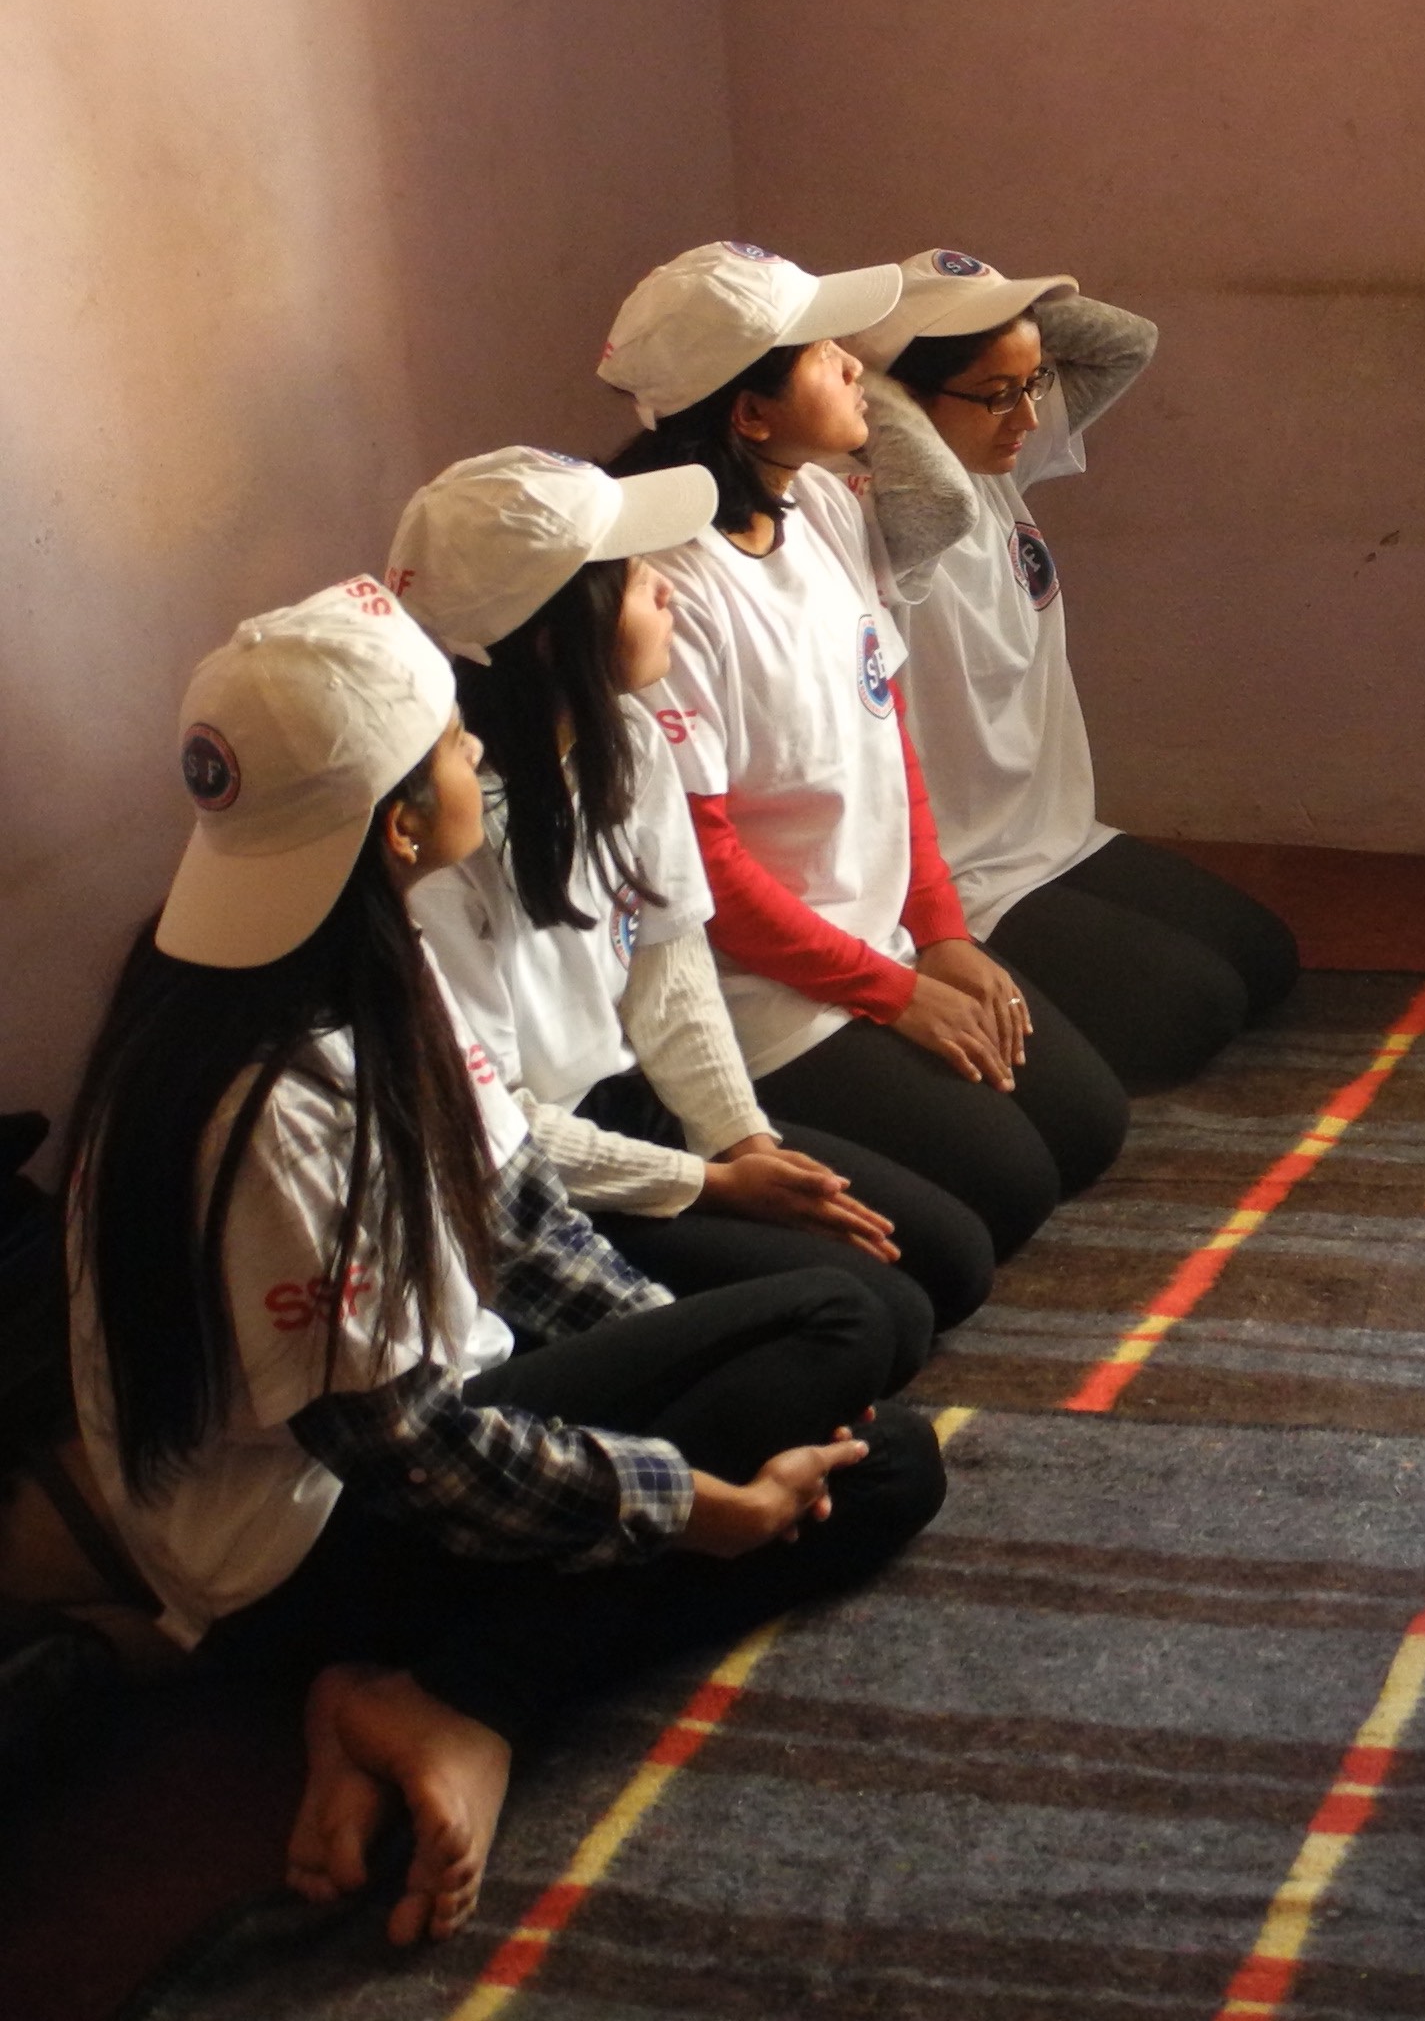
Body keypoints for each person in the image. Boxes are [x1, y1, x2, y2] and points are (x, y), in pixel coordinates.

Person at [64, 582, 943, 1949]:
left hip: (439, 1417)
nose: (480, 753)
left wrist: (706, 1384)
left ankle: (441, 1691)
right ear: (401, 824)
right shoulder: (280, 1094)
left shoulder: (330, 955)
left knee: (864, 1425)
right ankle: (459, 1697)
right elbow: (409, 1457)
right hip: (304, 1554)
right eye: (456, 746)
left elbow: (521, 1217)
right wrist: (694, 1500)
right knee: (844, 1366)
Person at [388, 446, 988, 1381]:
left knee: (948, 1260)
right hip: (538, 1181)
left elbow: (672, 971)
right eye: (632, 577)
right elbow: (495, 1128)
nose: (663, 589)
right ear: (553, 633)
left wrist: (742, 1139)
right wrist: (709, 1183)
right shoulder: (444, 851)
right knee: (881, 1323)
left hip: (637, 1116)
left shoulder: (624, 736)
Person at [602, 242, 1129, 1270]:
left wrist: (939, 936)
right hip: (768, 991)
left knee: (1083, 1127)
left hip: (881, 942)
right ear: (749, 414)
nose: (857, 367)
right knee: (1006, 1195)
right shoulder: (663, 591)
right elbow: (705, 872)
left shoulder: (829, 512)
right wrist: (891, 996)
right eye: (821, 353)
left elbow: (890, 742)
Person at [853, 250, 1299, 1091]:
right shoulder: (887, 508)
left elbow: (1126, 343)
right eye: (997, 394)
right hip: (970, 874)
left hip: (1056, 835)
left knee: (1263, 961)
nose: (1026, 416)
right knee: (1189, 1013)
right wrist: (864, 364)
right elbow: (929, 492)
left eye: (1034, 385)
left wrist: (1005, 317)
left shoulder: (995, 462)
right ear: (901, 402)